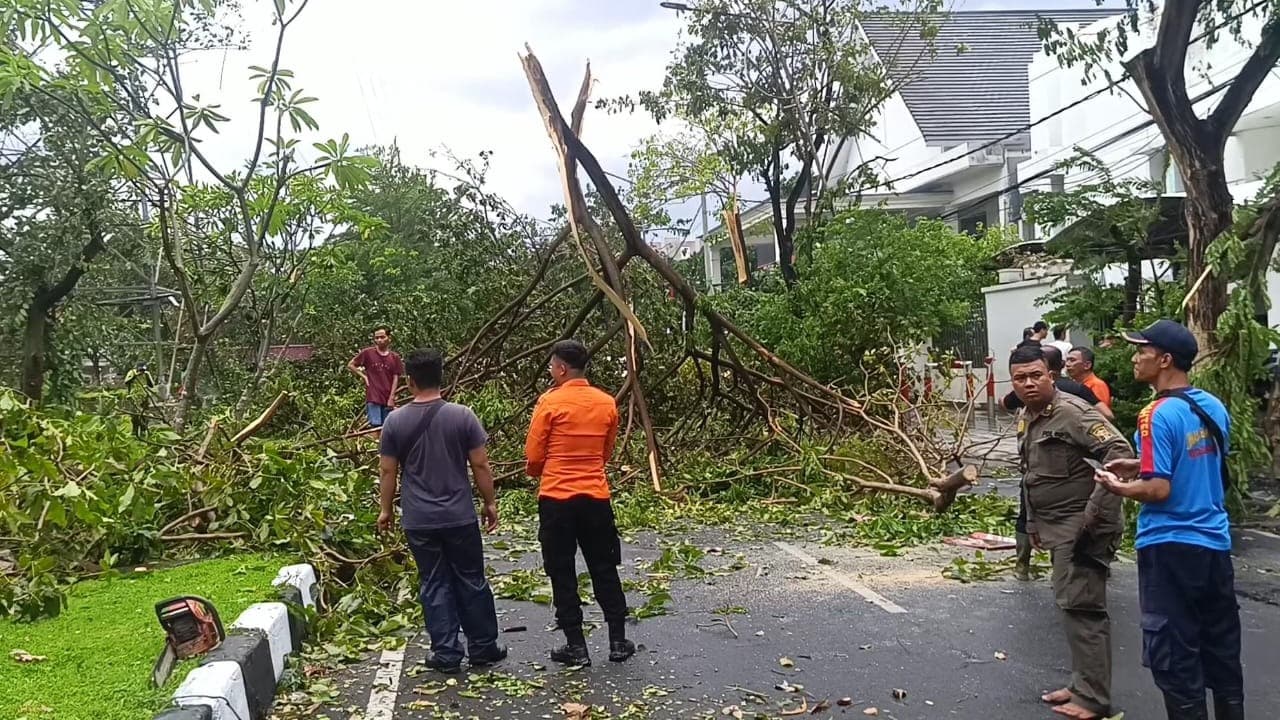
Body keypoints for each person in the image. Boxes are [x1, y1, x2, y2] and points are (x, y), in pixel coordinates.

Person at [1094, 320, 1243, 720]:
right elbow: (1200, 465)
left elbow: (1159, 489)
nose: (1133, 357)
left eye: (1140, 350)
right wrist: (1140, 464)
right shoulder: (1212, 406)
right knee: (1221, 651)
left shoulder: (1155, 413)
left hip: (1170, 545)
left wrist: (1117, 486)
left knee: (1174, 655)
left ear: (1163, 360)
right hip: (1214, 544)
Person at [1010, 344, 1133, 720]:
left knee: (1083, 608)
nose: (1028, 384)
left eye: (1036, 375)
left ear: (1052, 375)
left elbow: (1120, 454)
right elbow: (1030, 474)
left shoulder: (1072, 412)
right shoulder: (1029, 416)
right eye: (1020, 378)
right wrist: (1032, 524)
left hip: (1083, 526)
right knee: (1071, 607)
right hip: (1055, 526)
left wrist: (1095, 512)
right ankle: (1083, 685)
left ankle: (1094, 698)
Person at [377, 348, 506, 674]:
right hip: (459, 516)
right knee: (472, 579)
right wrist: (489, 502)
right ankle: (482, 648)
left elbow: (387, 472)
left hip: (419, 519)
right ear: (441, 377)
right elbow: (480, 463)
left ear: (409, 381)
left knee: (434, 582)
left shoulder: (394, 421)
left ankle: (446, 653)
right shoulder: (463, 416)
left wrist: (385, 510)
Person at [525, 340, 635, 666]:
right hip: (595, 497)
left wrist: (542, 471)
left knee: (562, 571)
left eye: (551, 366)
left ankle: (576, 645)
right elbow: (606, 452)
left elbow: (533, 457)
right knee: (604, 567)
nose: (550, 371)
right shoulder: (606, 403)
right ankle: (617, 640)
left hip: (557, 499)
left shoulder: (549, 403)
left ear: (561, 369)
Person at [348, 325, 403, 428]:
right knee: (374, 425)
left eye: (382, 337)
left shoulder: (394, 357)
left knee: (387, 426)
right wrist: (364, 376)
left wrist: (392, 397)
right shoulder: (368, 353)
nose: (379, 340)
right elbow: (351, 364)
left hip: (387, 396)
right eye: (376, 338)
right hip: (373, 396)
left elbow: (396, 377)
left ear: (389, 338)